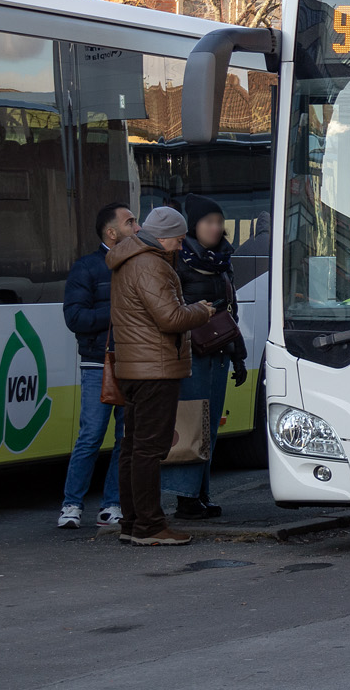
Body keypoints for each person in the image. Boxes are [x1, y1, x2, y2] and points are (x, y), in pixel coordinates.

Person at [108, 206, 214, 546]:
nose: (181, 247)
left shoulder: (129, 259)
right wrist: (201, 310)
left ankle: (132, 522)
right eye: (179, 240)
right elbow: (169, 318)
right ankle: (150, 527)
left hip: (134, 367)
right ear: (165, 236)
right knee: (148, 450)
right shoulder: (150, 264)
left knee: (132, 447)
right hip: (155, 368)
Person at [163, 194, 248, 520]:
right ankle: (184, 498)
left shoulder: (222, 261)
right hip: (191, 356)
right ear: (193, 226)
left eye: (218, 222)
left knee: (209, 427)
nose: (215, 228)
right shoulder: (178, 261)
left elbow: (231, 312)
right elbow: (171, 311)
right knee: (191, 424)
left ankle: (200, 494)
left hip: (219, 354)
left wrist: (238, 356)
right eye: (208, 222)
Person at [56, 203, 139, 530]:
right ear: (111, 232)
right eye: (130, 222)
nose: (137, 226)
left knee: (125, 438)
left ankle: (111, 505)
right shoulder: (87, 267)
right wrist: (118, 314)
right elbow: (74, 318)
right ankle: (71, 505)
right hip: (98, 363)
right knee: (91, 435)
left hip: (134, 362)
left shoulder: (137, 264)